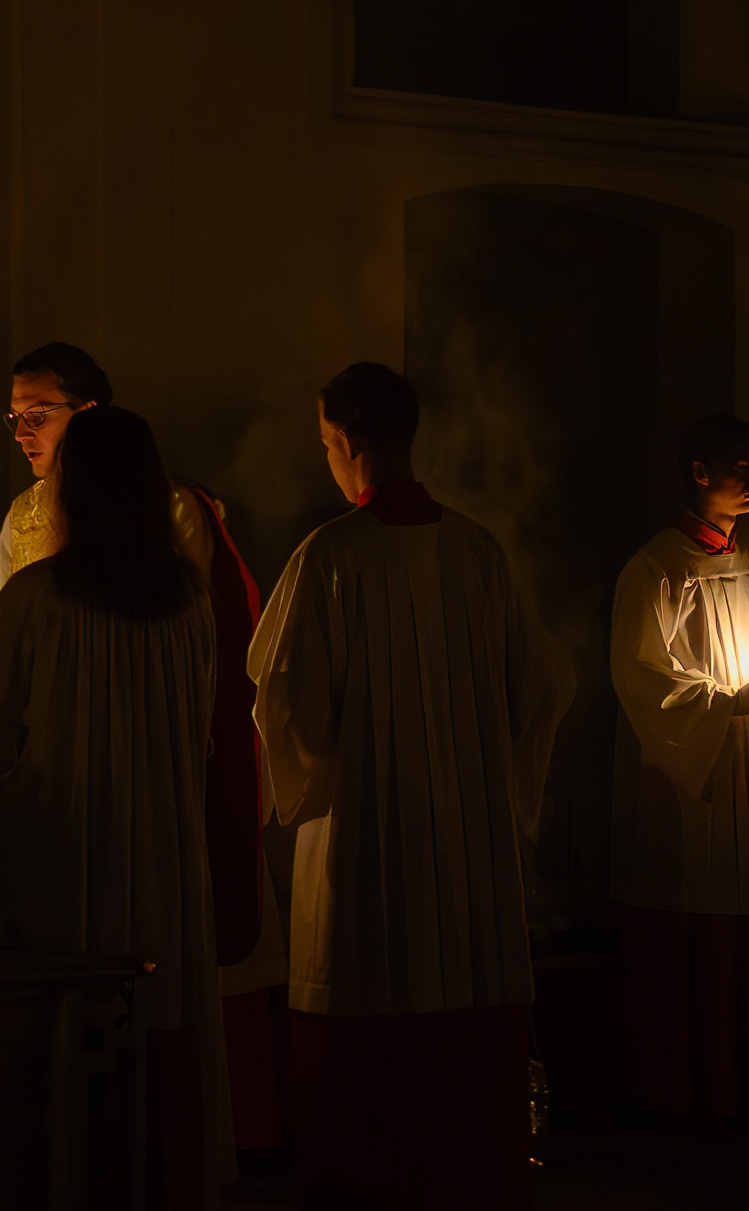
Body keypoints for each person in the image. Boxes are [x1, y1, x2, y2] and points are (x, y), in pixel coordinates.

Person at [0, 340, 283, 1148]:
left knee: (71, 1041)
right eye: (15, 418)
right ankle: (166, 1164)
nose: (24, 435)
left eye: (40, 416)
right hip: (160, 841)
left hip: (62, 842)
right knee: (158, 1010)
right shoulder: (182, 603)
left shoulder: (38, 598)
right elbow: (200, 720)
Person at [249, 362, 569, 1211]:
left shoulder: (330, 556)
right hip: (466, 844)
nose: (328, 459)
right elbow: (544, 686)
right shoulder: (478, 550)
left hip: (365, 840)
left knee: (364, 1013)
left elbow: (288, 703)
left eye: (326, 444)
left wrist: (320, 775)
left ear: (348, 438)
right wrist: (488, 781)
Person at [610, 414, 749, 1117]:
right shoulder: (656, 567)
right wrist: (729, 702)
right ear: (699, 472)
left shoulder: (748, 564)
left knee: (748, 913)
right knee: (694, 916)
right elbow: (642, 677)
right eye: (740, 466)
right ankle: (691, 1091)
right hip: (688, 775)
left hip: (746, 763)